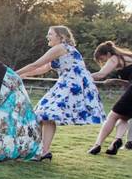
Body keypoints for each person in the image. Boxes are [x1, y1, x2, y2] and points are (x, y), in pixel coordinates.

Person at [16, 25, 104, 160]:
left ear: (61, 37)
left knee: (46, 114)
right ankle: (37, 150)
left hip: (72, 83)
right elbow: (43, 68)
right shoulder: (61, 50)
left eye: (50, 34)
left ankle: (42, 152)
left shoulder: (60, 48)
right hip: (67, 82)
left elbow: (36, 64)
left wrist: (12, 73)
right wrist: (21, 75)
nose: (47, 36)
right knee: (42, 114)